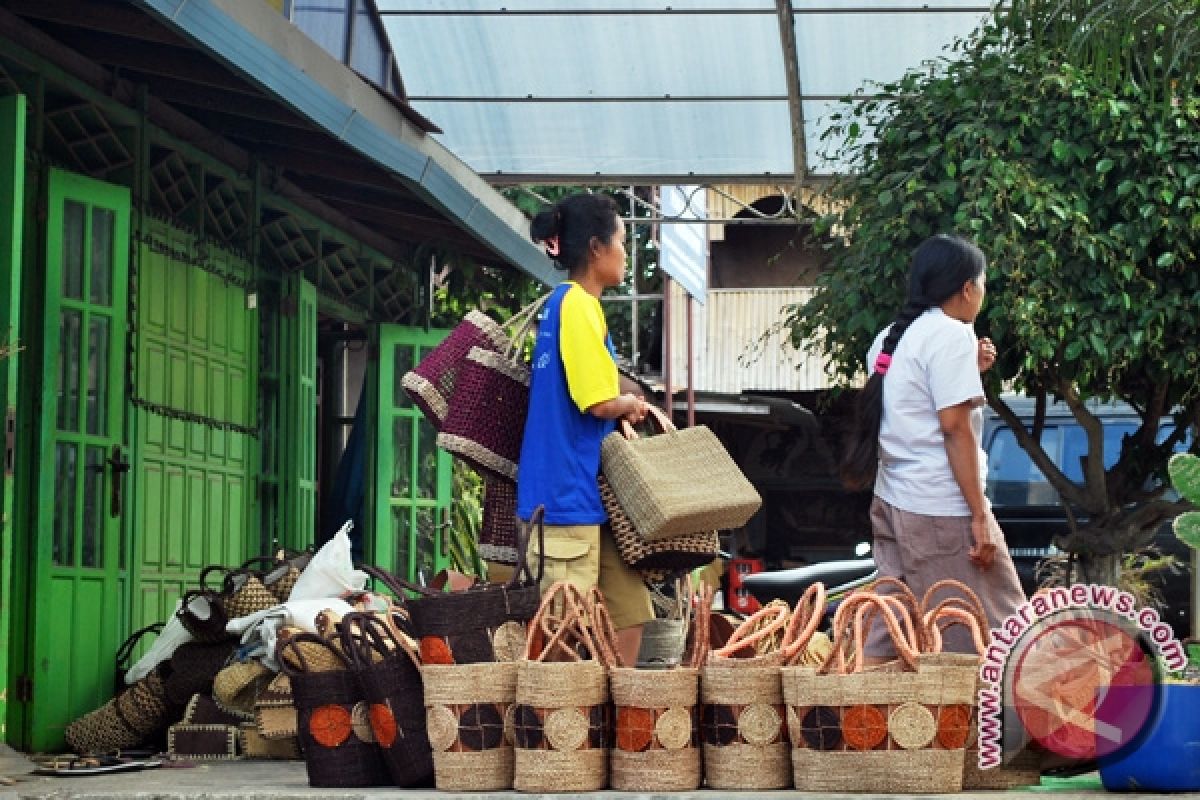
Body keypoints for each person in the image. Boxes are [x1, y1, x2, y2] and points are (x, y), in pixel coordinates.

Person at [842, 233, 1026, 657]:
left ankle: (853, 713)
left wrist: (970, 366)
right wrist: (979, 516)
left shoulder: (890, 337)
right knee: (992, 633)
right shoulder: (951, 334)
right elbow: (953, 429)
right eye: (982, 284)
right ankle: (998, 724)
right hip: (940, 507)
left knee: (891, 627)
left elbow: (913, 403)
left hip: (892, 498)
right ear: (966, 288)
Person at [516, 192, 655, 666]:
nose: (624, 252)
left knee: (629, 610)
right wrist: (630, 405)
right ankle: (564, 727)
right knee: (562, 636)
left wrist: (623, 404)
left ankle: (616, 710)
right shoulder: (577, 305)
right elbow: (596, 401)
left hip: (585, 497)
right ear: (596, 248)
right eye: (620, 240)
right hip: (564, 499)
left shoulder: (567, 306)